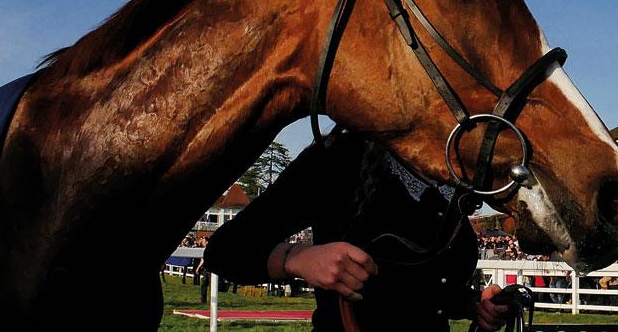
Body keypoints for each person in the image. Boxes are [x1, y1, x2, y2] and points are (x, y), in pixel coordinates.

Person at [204, 132, 515, 331]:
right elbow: (225, 251)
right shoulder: (338, 157)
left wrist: (473, 305)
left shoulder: (453, 172)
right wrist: (297, 258)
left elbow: (423, 289)